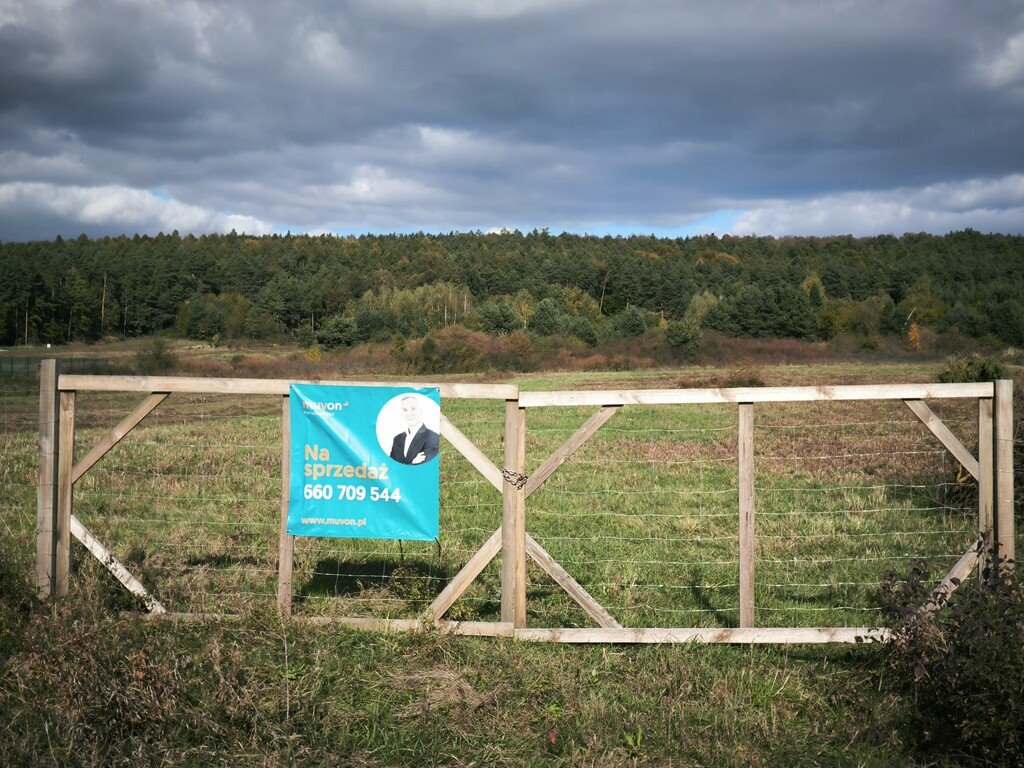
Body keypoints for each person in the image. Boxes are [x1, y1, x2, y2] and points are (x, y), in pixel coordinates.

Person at [389, 395, 439, 465]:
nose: (409, 413)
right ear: (401, 413)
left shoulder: (433, 437)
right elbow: (390, 465)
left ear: (421, 411)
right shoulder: (397, 439)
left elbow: (425, 467)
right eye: (405, 410)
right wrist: (413, 463)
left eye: (413, 409)